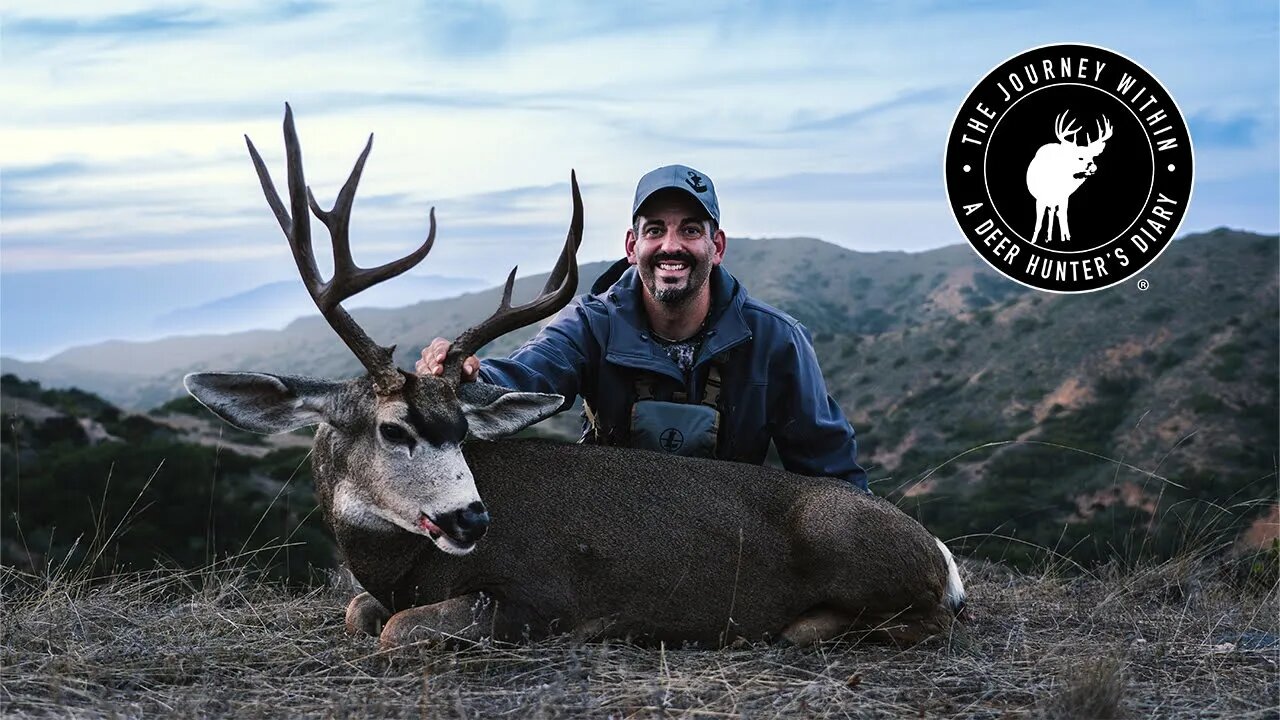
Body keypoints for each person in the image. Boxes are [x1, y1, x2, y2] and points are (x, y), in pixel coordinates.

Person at [417, 165, 870, 492]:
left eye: (691, 231)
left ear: (718, 246)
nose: (671, 246)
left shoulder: (777, 340)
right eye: (655, 231)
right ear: (633, 246)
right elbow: (521, 379)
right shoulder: (589, 324)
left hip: (733, 537)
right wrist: (464, 377)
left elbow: (830, 471)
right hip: (611, 529)